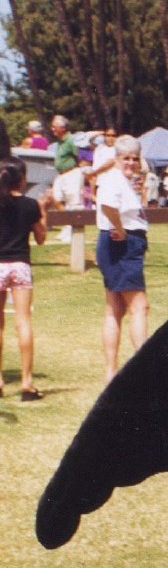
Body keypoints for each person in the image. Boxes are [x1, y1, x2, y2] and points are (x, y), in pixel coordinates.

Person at [95, 135, 149, 383]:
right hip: (122, 245)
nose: (130, 163)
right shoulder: (113, 179)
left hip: (116, 244)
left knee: (114, 310)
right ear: (116, 158)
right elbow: (107, 205)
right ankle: (145, 368)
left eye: (134, 158)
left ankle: (111, 372)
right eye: (125, 158)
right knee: (140, 307)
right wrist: (120, 227)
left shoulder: (122, 179)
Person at [0, 156, 47, 400]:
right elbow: (41, 239)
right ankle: (27, 383)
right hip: (20, 265)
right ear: (23, 178)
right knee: (23, 322)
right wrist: (44, 212)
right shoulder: (31, 205)